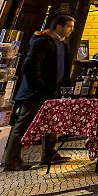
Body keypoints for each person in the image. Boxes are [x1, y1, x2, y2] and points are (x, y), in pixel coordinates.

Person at [3, 15, 75, 171]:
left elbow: (63, 67)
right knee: (24, 125)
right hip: (35, 93)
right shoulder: (43, 42)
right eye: (69, 26)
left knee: (52, 123)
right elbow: (30, 67)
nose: (72, 30)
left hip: (53, 91)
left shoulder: (62, 43)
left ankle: (49, 153)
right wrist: (39, 86)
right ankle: (11, 159)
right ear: (58, 26)